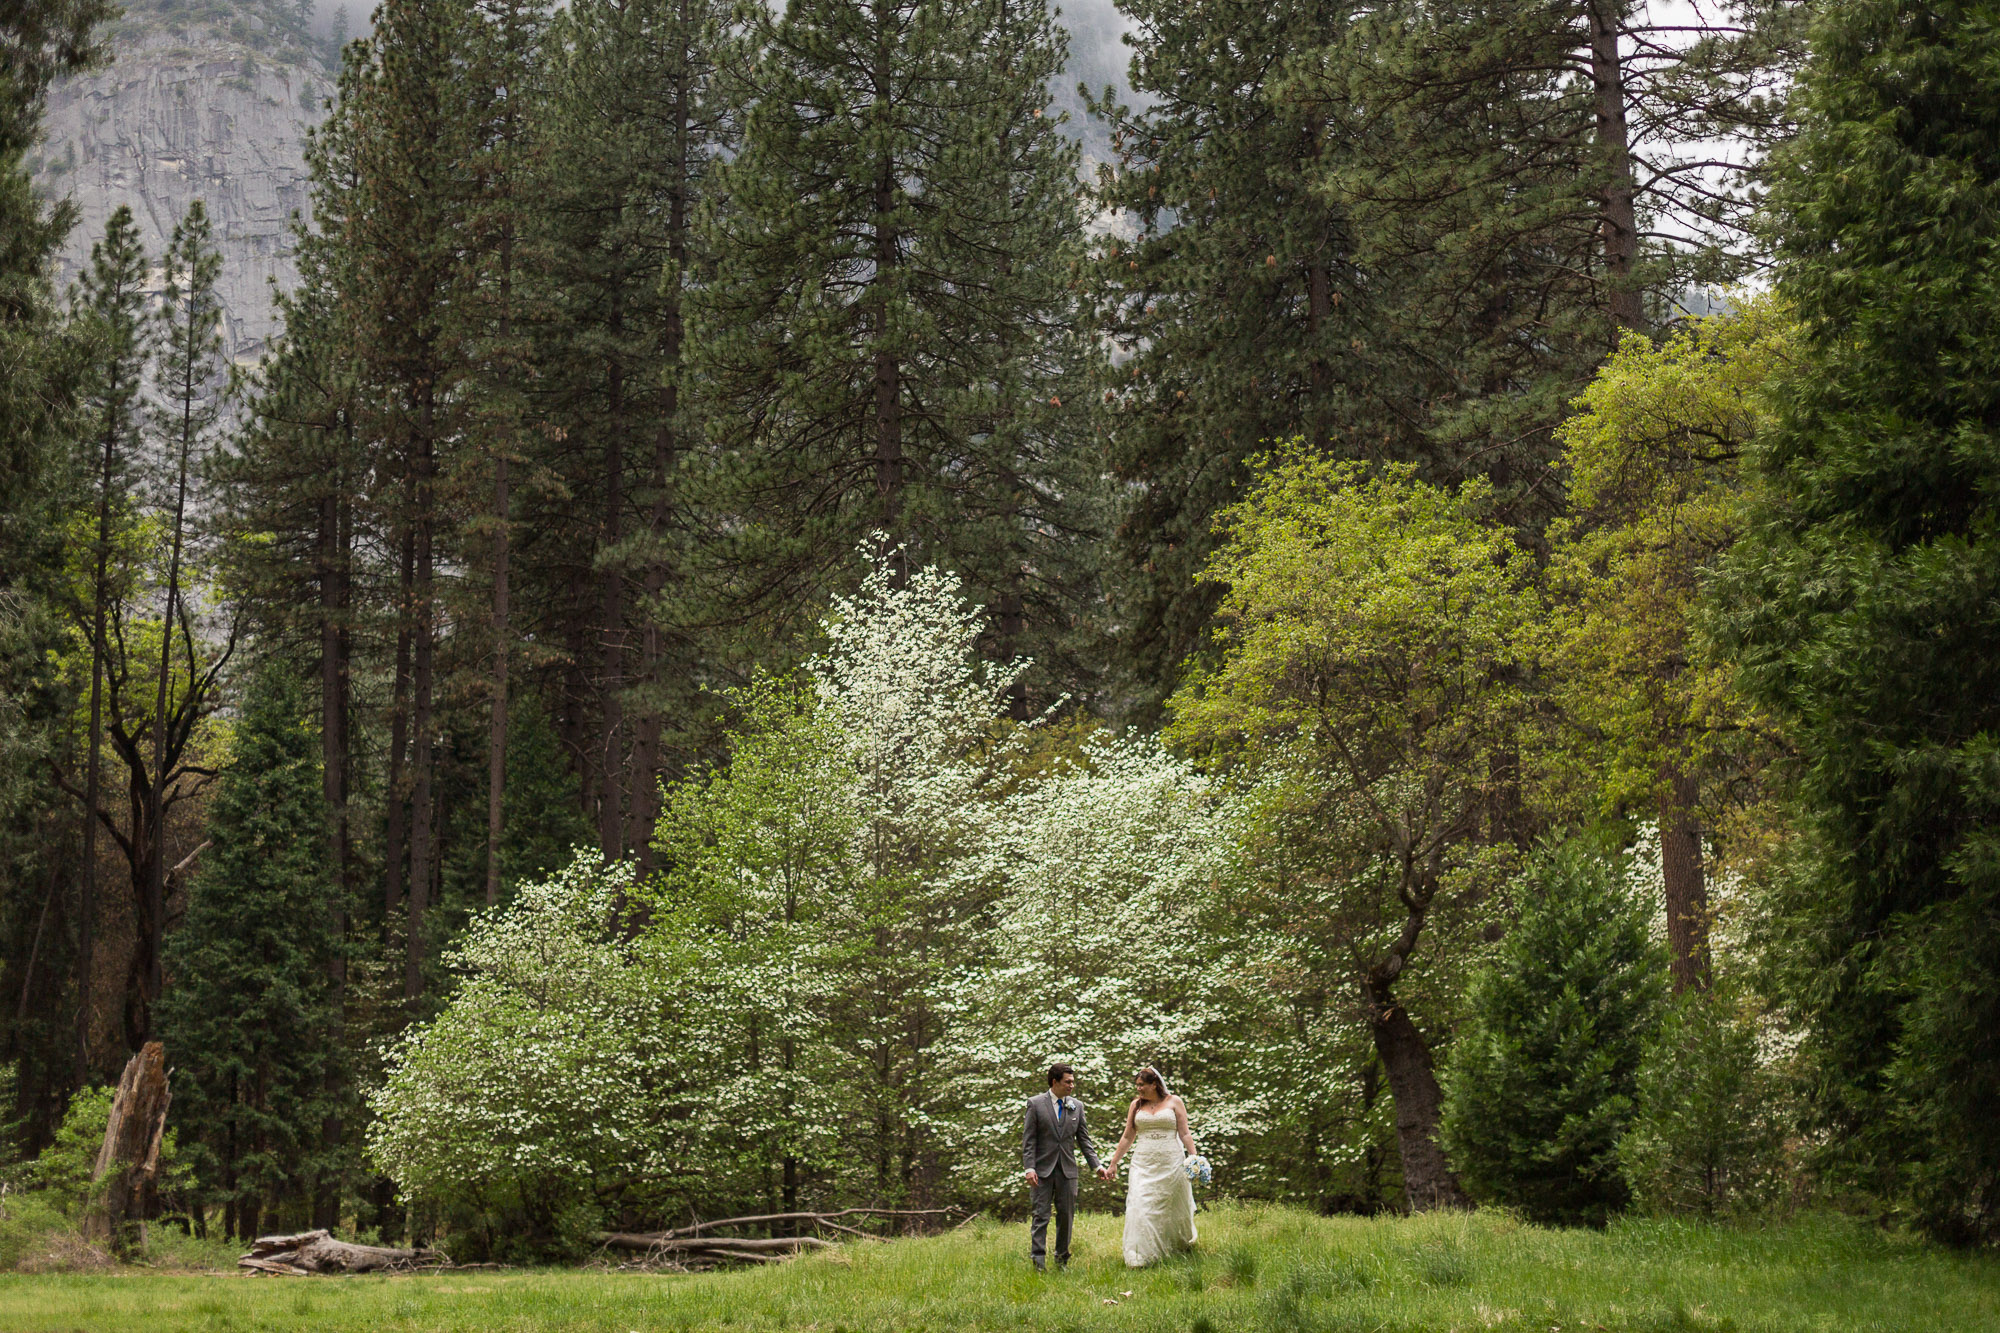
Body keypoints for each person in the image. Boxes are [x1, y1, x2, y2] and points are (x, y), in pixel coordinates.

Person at [1099, 1064, 1198, 1267]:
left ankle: (1175, 1248)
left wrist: (1194, 1157)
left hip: (1171, 1162)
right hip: (1143, 1163)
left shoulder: (1174, 1102)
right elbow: (1128, 1136)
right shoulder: (1136, 1106)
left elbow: (1184, 1133)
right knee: (1140, 1205)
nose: (1138, 1089)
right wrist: (1113, 1163)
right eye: (1137, 1085)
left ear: (1155, 1084)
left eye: (1142, 1085)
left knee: (1170, 1207)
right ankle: (1140, 1256)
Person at [1021, 1063, 1100, 1270]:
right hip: (1041, 1171)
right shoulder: (1035, 1104)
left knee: (1066, 1216)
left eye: (1073, 1082)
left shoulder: (1077, 1106)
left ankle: (1062, 1259)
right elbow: (1028, 1140)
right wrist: (1029, 1168)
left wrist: (1097, 1166)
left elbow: (1084, 1140)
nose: (1072, 1086)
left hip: (1067, 1171)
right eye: (1068, 1082)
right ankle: (1038, 1261)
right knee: (1041, 1215)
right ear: (1054, 1082)